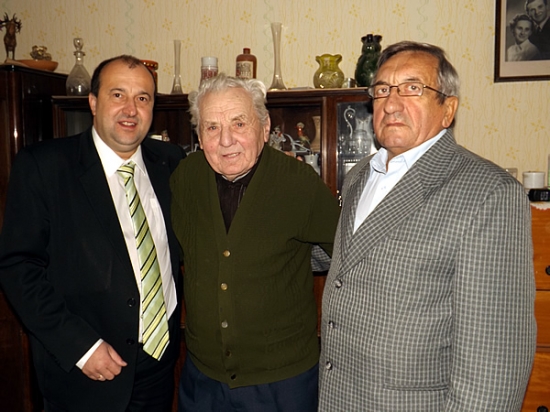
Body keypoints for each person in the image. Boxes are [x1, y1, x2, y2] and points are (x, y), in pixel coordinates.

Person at [318, 41, 536, 411]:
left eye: (412, 88)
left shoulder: (489, 193)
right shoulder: (358, 176)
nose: (391, 102)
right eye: (382, 89)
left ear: (448, 109)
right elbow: (349, 262)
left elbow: (495, 364)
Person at [0, 55, 186, 411]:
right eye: (118, 95)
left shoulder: (171, 161)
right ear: (93, 102)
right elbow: (18, 267)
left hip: (159, 367)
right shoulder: (44, 166)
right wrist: (80, 347)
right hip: (86, 373)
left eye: (143, 98)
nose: (131, 109)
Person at [170, 73, 340, 411]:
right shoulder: (185, 179)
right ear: (199, 137)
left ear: (264, 128)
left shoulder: (299, 184)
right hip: (203, 379)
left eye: (239, 123)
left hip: (282, 383)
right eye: (212, 127)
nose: (226, 140)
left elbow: (349, 258)